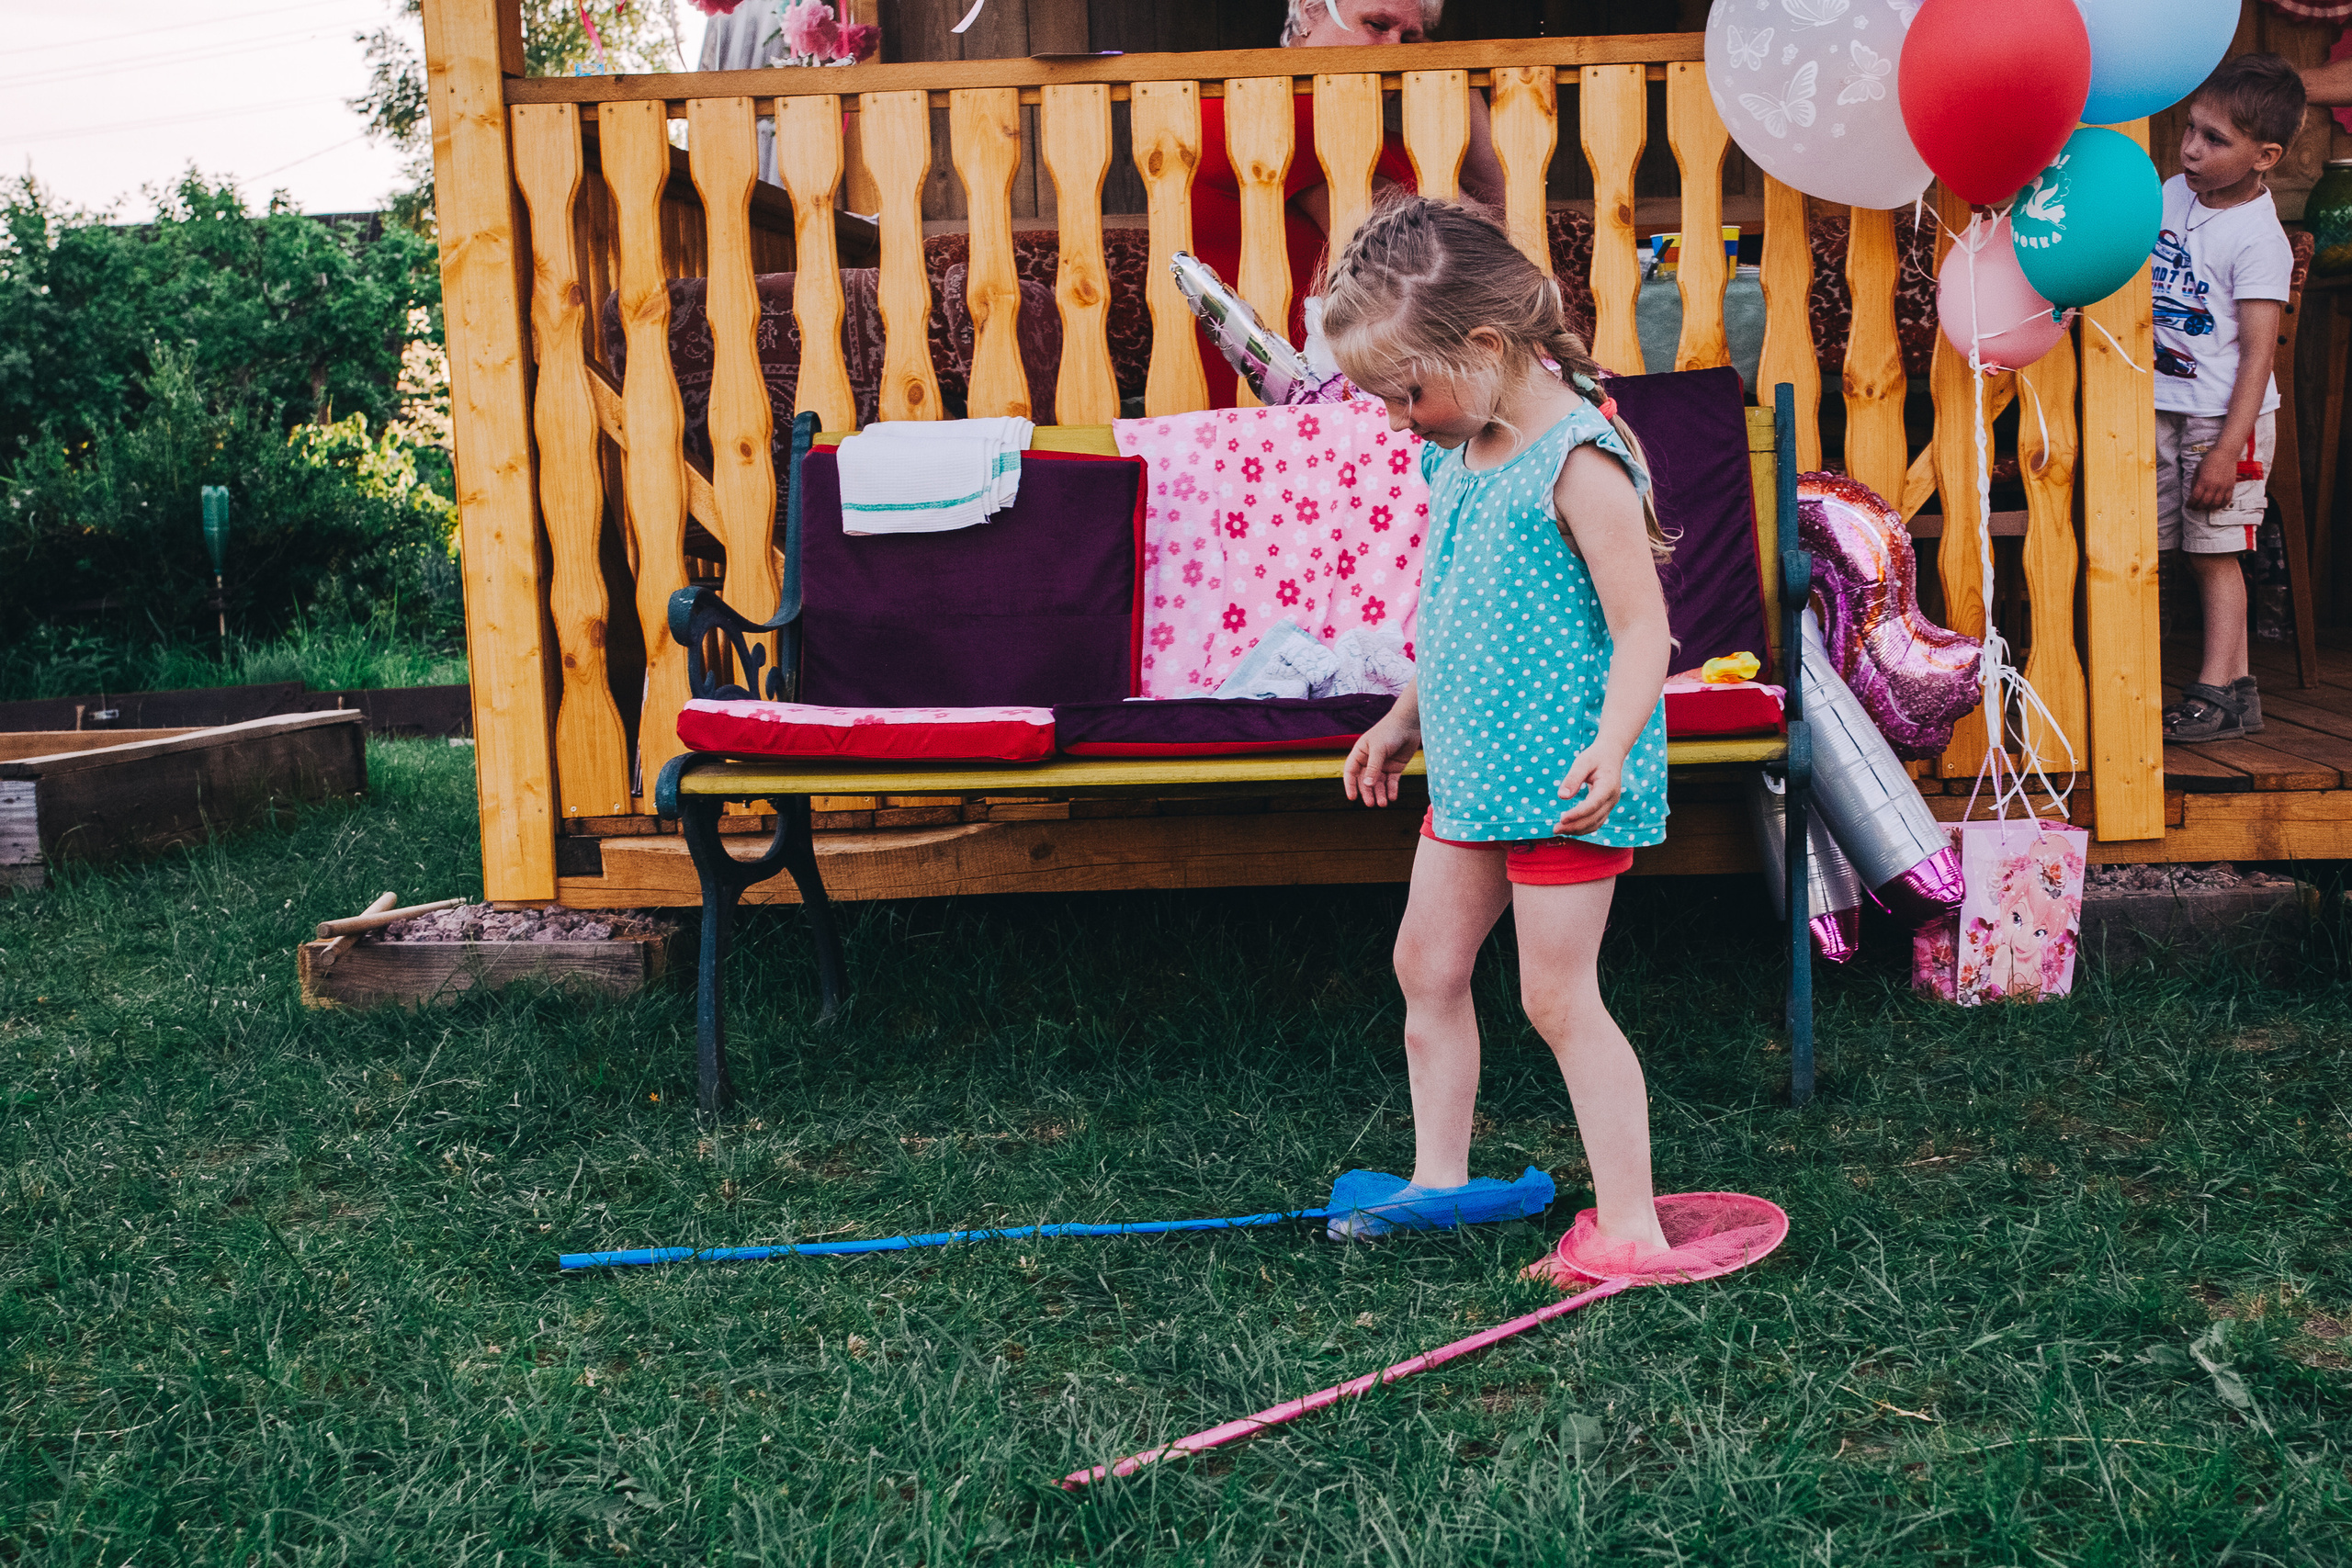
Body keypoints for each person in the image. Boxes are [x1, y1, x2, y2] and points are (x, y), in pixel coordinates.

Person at [1326, 197, 1673, 1257]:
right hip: (1471, 783)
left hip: (1566, 789)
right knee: (1424, 969)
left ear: (1482, 346)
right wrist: (1400, 720)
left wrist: (1612, 746)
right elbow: (1456, 617)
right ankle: (1441, 1177)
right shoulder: (1457, 451)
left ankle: (1629, 1227)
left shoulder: (1578, 459)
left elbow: (1643, 628)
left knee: (1557, 998)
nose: (1398, 421)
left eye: (1406, 393)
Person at [1190, 0, 1507, 405]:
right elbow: (1452, 255)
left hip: (1359, 386)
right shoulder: (1274, 111)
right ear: (1309, 12)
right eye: (1376, 25)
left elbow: (1502, 220)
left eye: (1411, 38)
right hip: (1287, 401)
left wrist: (1457, 75)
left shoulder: (1368, 134)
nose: (1395, 50)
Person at [2154, 54, 2304, 744]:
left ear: (2264, 155)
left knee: (2214, 551)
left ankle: (2217, 689)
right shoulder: (2169, 193)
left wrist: (2225, 450)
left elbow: (2256, 356)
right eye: (2190, 128)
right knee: (2165, 545)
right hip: (2157, 404)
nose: (2190, 147)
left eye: (2214, 139)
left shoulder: (2258, 239)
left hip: (2223, 419)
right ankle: (2236, 693)